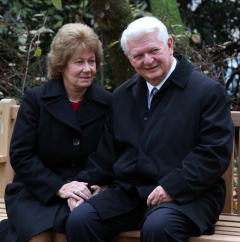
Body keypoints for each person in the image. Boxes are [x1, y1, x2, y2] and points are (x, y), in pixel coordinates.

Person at [66, 16, 234, 242]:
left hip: (189, 195)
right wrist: (83, 185)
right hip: (131, 193)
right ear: (128, 58)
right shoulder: (122, 96)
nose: (148, 60)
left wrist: (172, 187)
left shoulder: (207, 92)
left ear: (170, 45)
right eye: (138, 55)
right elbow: (106, 153)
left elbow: (213, 154)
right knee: (80, 219)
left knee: (158, 227)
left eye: (153, 50)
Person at [0, 23, 113, 242]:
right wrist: (59, 187)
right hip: (35, 190)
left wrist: (81, 189)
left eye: (91, 61)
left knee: (66, 230)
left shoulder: (108, 103)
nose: (88, 69)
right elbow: (22, 155)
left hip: (85, 190)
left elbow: (107, 155)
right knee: (38, 235)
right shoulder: (36, 100)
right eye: (79, 62)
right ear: (61, 65)